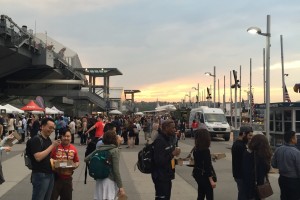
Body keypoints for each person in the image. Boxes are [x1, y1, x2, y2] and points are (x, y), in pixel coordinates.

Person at [85, 130, 126, 200]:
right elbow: (116, 170)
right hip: (109, 181)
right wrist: (120, 186)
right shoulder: (115, 150)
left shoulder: (100, 148)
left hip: (99, 180)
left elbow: (86, 159)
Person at [31, 118, 61, 200]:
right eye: (49, 127)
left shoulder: (48, 139)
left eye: (53, 128)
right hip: (40, 175)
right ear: (42, 127)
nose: (51, 130)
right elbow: (38, 157)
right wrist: (52, 146)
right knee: (39, 197)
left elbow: (47, 156)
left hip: (49, 173)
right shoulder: (36, 139)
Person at [151, 120, 180, 200]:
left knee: (167, 197)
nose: (175, 129)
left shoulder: (169, 139)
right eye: (173, 128)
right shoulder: (159, 141)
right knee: (162, 198)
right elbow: (158, 161)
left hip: (167, 175)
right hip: (160, 176)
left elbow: (169, 158)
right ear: (166, 128)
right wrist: (172, 154)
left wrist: (177, 160)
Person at [50, 129, 79, 200]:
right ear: (61, 137)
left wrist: (74, 166)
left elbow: (77, 161)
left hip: (67, 179)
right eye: (64, 136)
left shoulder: (74, 149)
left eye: (68, 136)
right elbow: (49, 159)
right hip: (55, 178)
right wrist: (54, 164)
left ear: (71, 138)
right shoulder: (55, 147)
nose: (66, 138)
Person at [272, 130, 300, 200]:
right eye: (296, 137)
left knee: (284, 196)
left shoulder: (278, 149)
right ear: (292, 139)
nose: (297, 139)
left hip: (282, 178)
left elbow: (273, 164)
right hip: (293, 180)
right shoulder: (296, 152)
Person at [242, 134, 272, 200]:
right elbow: (264, 172)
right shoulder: (263, 156)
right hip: (259, 185)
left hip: (248, 183)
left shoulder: (247, 153)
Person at [192, 129, 216, 200]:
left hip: (197, 174)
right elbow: (207, 166)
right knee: (209, 195)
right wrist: (211, 180)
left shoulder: (196, 149)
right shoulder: (206, 150)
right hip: (204, 175)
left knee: (201, 193)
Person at [231, 125, 253, 200]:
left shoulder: (238, 144)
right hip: (241, 175)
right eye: (249, 135)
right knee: (243, 194)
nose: (250, 137)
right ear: (243, 134)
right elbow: (245, 161)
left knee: (242, 193)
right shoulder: (239, 146)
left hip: (238, 174)